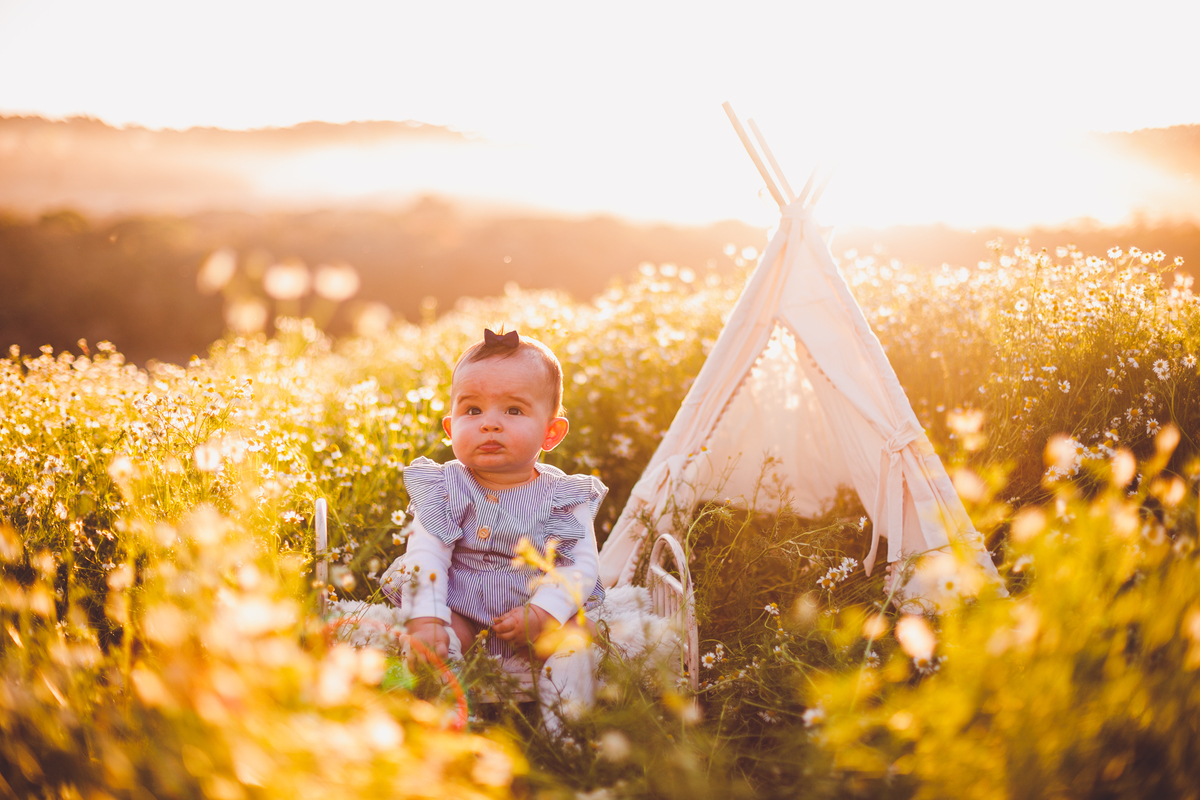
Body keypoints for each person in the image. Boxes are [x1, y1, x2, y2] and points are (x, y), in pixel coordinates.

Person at [380, 328, 604, 730]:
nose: (490, 425)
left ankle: (568, 733)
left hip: (534, 602)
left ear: (550, 433)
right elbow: (427, 554)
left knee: (574, 640)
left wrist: (543, 613)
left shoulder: (565, 495)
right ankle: (443, 721)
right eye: (473, 411)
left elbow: (580, 567)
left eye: (513, 411)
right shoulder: (442, 487)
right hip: (461, 601)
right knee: (438, 639)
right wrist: (428, 618)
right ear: (450, 428)